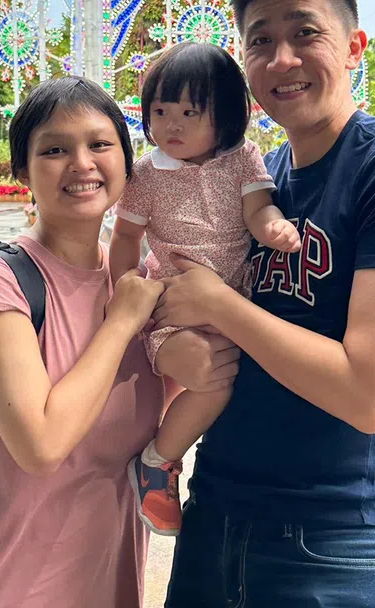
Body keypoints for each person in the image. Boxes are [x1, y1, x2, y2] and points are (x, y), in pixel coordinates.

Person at [152, 0, 375, 608]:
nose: (282, 57)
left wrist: (222, 308)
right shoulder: (258, 184)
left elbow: (369, 393)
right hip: (215, 519)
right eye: (260, 40)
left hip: (336, 542)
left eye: (305, 34)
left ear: (352, 48)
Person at [0, 77, 219, 608]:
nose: (82, 163)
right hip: (11, 577)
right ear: (23, 171)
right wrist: (120, 322)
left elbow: (186, 394)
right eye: (55, 149)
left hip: (109, 574)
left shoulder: (142, 279)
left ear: (128, 163)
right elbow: (40, 446)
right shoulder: (0, 286)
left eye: (100, 144)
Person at [110, 43, 300, 536]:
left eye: (191, 112)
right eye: (160, 111)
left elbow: (259, 208)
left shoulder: (242, 160)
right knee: (208, 375)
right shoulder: (145, 174)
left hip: (232, 303)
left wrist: (272, 227)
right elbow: (126, 238)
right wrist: (124, 296)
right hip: (169, 311)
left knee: (227, 374)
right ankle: (159, 463)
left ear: (227, 116)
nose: (172, 125)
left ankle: (160, 458)